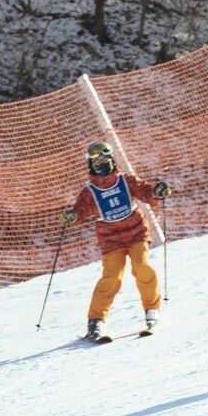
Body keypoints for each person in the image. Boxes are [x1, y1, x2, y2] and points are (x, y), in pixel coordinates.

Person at [60, 142, 172, 340]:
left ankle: (151, 310)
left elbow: (145, 191)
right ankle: (95, 321)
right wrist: (72, 216)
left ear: (112, 161)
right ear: (90, 166)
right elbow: (81, 211)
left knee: (141, 266)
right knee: (111, 277)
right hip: (110, 239)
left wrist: (156, 193)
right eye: (97, 164)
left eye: (105, 162)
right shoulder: (90, 191)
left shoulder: (125, 180)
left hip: (136, 232)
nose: (102, 168)